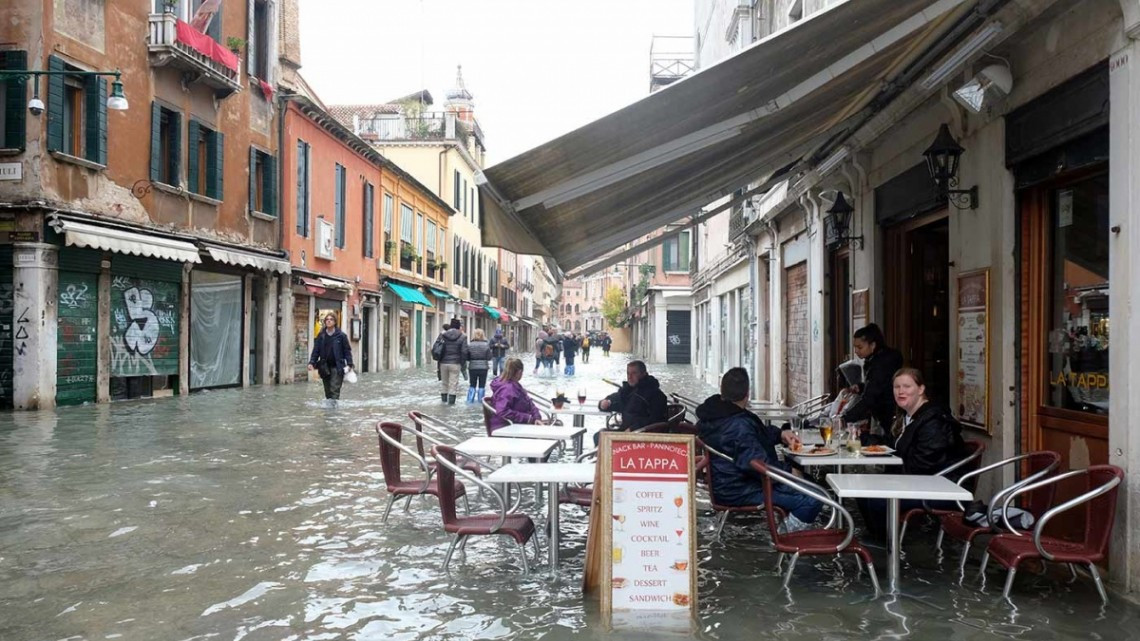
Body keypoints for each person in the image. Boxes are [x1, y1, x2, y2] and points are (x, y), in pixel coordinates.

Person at [697, 367, 820, 531]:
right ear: (747, 394)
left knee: (809, 483)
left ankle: (791, 525)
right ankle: (786, 538)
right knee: (815, 497)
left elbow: (754, 438)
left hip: (727, 483)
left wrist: (780, 434)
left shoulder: (717, 415)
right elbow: (757, 464)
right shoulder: (738, 424)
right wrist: (789, 471)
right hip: (739, 489)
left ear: (722, 391)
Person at [856, 368, 969, 540]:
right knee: (862, 492)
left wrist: (888, 480)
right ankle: (880, 541)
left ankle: (887, 547)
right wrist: (865, 439)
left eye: (907, 386)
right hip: (917, 482)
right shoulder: (908, 416)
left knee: (877, 500)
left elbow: (922, 466)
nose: (901, 391)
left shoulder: (933, 421)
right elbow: (894, 445)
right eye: (896, 387)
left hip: (940, 488)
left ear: (921, 389)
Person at [841, 323, 904, 442]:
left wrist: (845, 418)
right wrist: (861, 387)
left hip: (890, 413)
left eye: (860, 347)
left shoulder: (881, 364)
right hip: (886, 413)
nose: (856, 351)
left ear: (873, 345)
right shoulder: (877, 361)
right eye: (855, 347)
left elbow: (872, 395)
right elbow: (879, 385)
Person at [599, 360, 668, 432]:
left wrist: (634, 428)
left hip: (642, 435)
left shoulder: (655, 394)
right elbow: (616, 400)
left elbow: (656, 419)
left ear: (643, 374)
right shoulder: (627, 390)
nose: (629, 377)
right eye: (628, 373)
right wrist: (604, 403)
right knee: (600, 434)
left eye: (634, 373)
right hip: (626, 431)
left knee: (599, 436)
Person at [488, 358, 546, 432]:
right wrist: (527, 418)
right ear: (519, 372)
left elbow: (529, 402)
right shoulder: (507, 389)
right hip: (506, 427)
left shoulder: (515, 385)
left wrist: (536, 417)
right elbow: (502, 411)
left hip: (519, 424)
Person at [308, 313, 354, 403]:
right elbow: (316, 351)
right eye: (327, 319)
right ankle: (329, 412)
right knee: (328, 391)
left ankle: (334, 413)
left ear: (335, 322)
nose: (328, 321)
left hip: (337, 367)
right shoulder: (321, 336)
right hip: (324, 367)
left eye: (331, 319)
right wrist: (311, 363)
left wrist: (349, 364)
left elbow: (347, 351)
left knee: (334, 389)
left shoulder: (341, 336)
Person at [433, 318, 467, 405]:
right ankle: (451, 405)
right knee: (453, 384)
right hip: (455, 363)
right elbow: (464, 352)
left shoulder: (443, 335)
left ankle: (443, 402)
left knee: (444, 383)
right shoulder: (463, 336)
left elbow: (436, 347)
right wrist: (462, 364)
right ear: (459, 326)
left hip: (443, 363)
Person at [465, 328, 492, 404]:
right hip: (483, 368)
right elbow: (489, 357)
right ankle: (481, 401)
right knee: (482, 385)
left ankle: (470, 401)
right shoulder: (486, 345)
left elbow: (467, 357)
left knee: (472, 384)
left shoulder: (470, 345)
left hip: (472, 367)